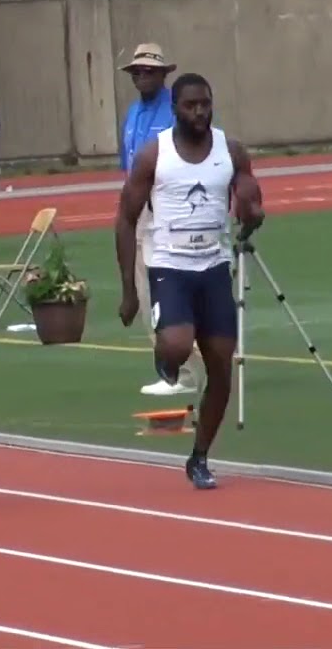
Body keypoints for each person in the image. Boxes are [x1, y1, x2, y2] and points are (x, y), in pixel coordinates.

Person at [116, 73, 264, 490]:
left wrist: (252, 210)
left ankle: (199, 457)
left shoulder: (230, 150)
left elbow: (251, 196)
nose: (199, 112)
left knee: (221, 366)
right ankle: (165, 358)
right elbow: (125, 218)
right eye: (190, 105)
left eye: (205, 104)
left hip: (213, 266)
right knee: (178, 345)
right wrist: (129, 290)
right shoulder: (155, 154)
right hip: (170, 267)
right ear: (175, 109)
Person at [118, 43, 204, 398]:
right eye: (137, 72)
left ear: (163, 74)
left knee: (169, 290)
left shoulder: (175, 111)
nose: (142, 76)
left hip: (169, 208)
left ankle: (187, 371)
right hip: (141, 209)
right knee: (145, 291)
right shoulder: (133, 114)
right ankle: (172, 369)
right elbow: (127, 166)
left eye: (149, 71)